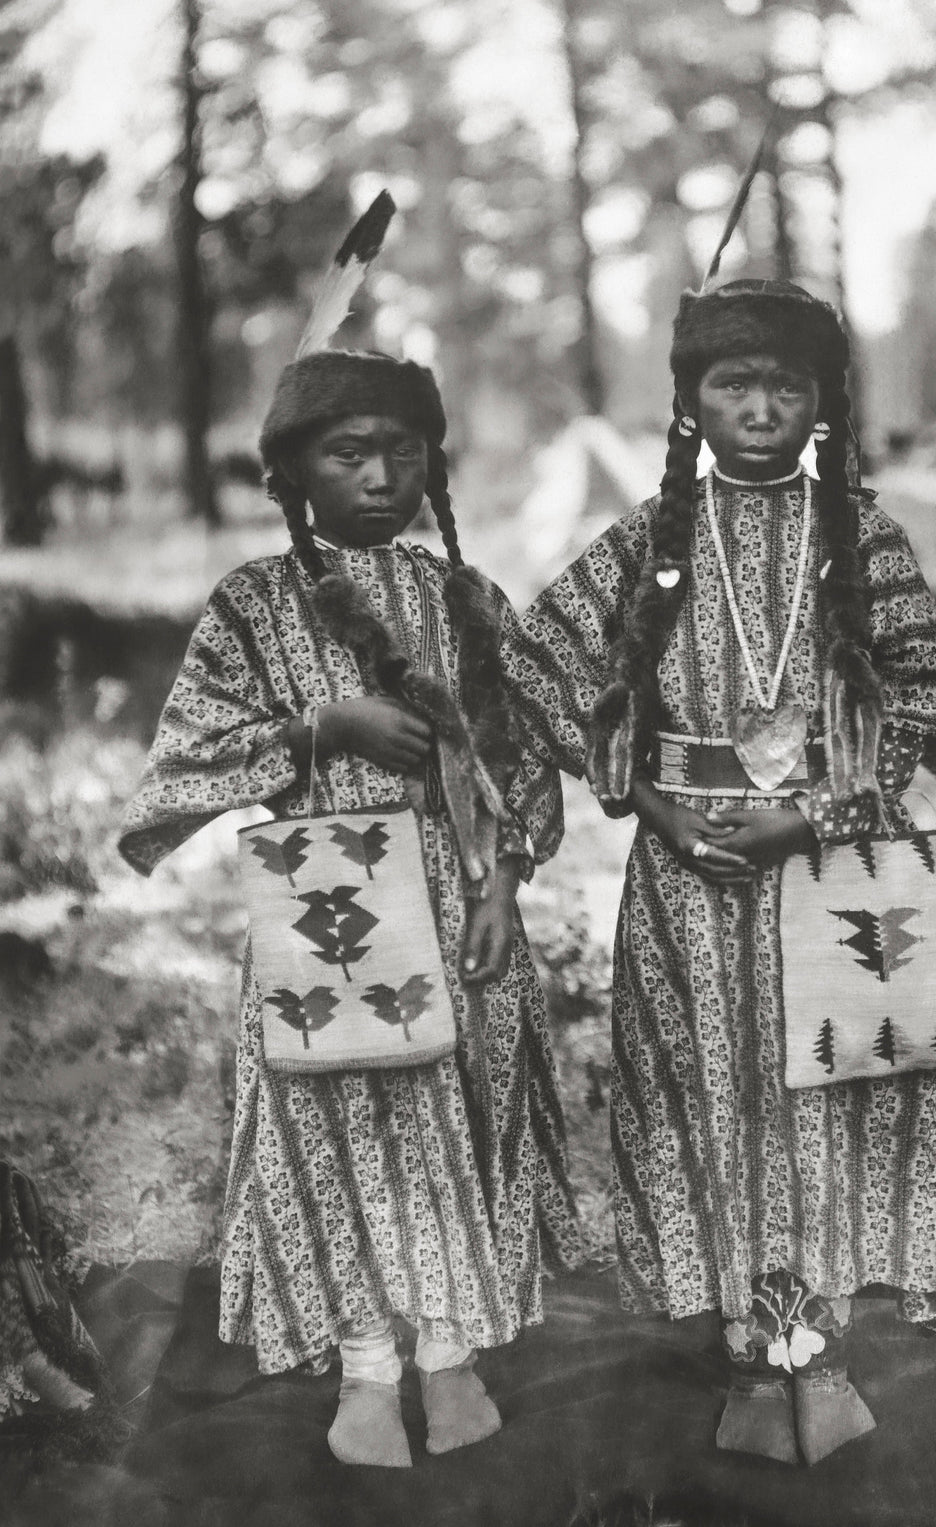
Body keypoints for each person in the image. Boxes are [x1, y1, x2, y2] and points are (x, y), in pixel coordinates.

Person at [509, 277, 936, 1466]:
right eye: (733, 383)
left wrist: (828, 814)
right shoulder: (643, 544)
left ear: (825, 403)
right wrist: (654, 803)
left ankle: (822, 1345)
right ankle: (746, 1345)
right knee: (712, 1097)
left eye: (789, 386)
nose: (761, 408)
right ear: (687, 401)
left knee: (820, 1099)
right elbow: (531, 669)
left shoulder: (867, 538)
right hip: (684, 881)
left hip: (829, 879)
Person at [119, 347, 582, 1468]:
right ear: (292, 474)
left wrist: (503, 889)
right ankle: (368, 1366)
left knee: (455, 1117)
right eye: (348, 452)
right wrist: (322, 726)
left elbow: (520, 761)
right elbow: (184, 758)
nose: (380, 476)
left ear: (433, 463)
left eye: (402, 452)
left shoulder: (464, 598)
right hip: (327, 915)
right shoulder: (252, 604)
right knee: (343, 1126)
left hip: (457, 900)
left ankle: (452, 1352)